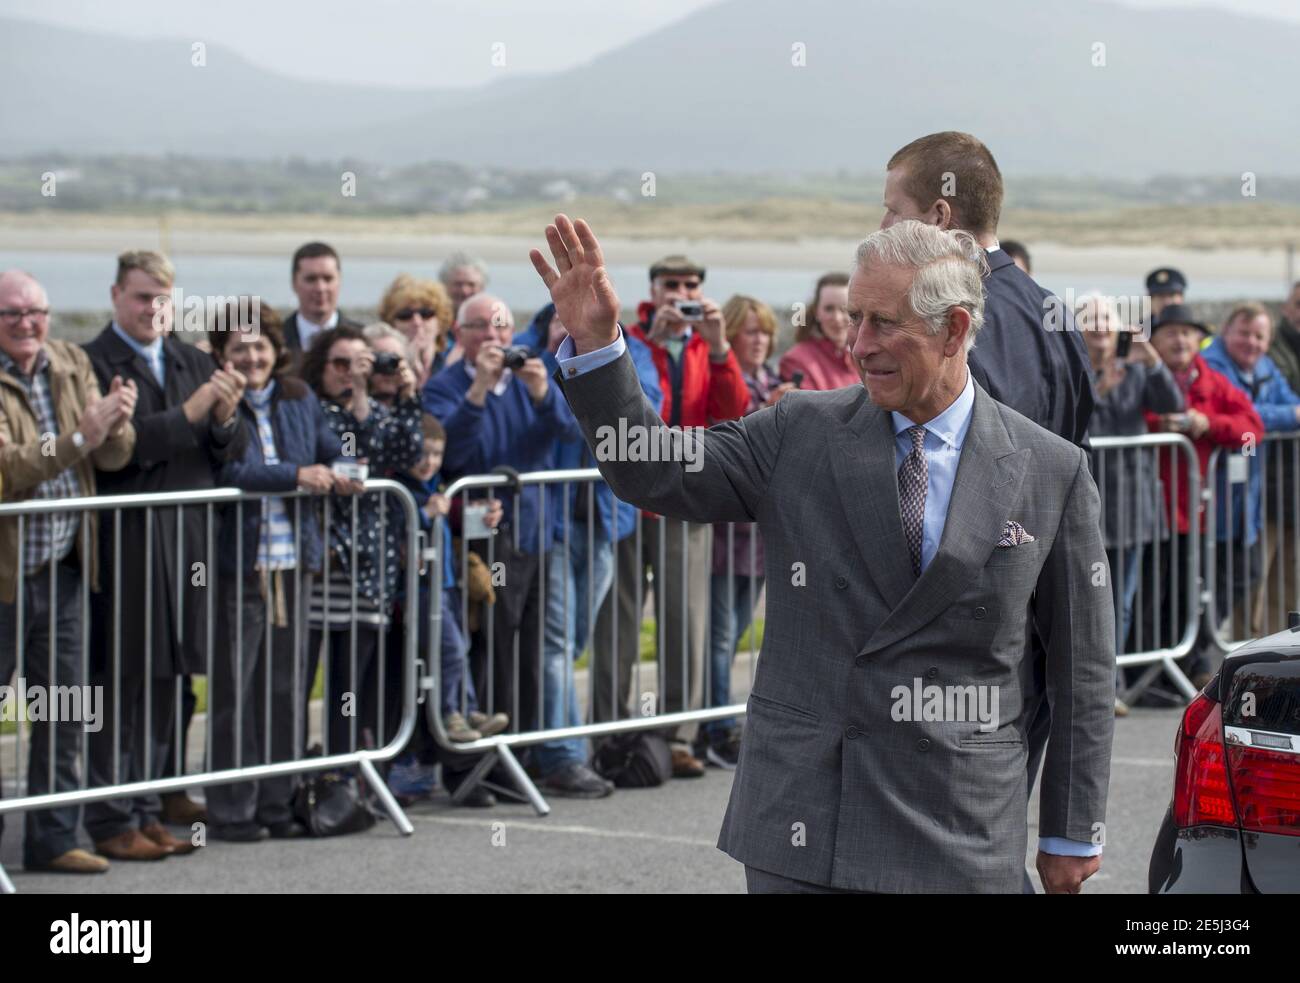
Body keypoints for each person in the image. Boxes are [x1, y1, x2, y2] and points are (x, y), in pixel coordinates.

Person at [533, 215, 1114, 894]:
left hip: (962, 827)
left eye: (883, 323)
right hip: (807, 824)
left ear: (954, 329)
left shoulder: (1050, 468)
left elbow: (1082, 670)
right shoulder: (799, 428)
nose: (858, 344)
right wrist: (601, 347)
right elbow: (656, 471)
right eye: (855, 318)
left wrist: (1073, 829)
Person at [82, 250, 246, 861]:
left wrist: (226, 416)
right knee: (119, 686)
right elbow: (126, 451)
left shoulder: (192, 359)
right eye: (140, 296)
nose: (152, 309)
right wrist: (197, 409)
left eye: (162, 298)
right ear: (116, 296)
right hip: (125, 545)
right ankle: (110, 817)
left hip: (186, 546)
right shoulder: (94, 362)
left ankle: (149, 808)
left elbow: (232, 448)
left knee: (167, 683)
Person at [0, 270, 137, 874]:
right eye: (12, 315)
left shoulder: (69, 360)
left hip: (62, 568)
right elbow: (10, 469)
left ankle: (54, 838)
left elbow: (111, 454)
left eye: (38, 311)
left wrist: (116, 423)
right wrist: (81, 435)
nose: (28, 323)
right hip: (5, 576)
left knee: (63, 706)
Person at [205, 299, 355, 842]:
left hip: (295, 564)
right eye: (239, 348)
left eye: (260, 346)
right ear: (222, 355)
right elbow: (231, 470)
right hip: (239, 565)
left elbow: (331, 450)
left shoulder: (299, 397)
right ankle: (230, 810)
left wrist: (345, 468)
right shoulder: (218, 405)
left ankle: (276, 802)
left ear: (276, 350)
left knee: (287, 691)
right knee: (234, 693)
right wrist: (298, 475)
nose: (252, 356)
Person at [597, 254, 750, 777]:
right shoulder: (633, 338)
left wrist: (722, 344)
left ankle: (678, 733)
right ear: (652, 288)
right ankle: (608, 729)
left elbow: (733, 412)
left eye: (689, 285)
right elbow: (630, 399)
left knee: (685, 616)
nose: (679, 294)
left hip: (687, 491)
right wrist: (657, 345)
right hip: (629, 492)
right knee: (616, 618)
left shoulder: (709, 344)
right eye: (670, 285)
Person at [422, 294, 582, 761]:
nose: (494, 338)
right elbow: (451, 454)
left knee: (529, 649)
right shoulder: (445, 387)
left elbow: (572, 432)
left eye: (502, 328)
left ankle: (523, 756)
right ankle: (475, 766)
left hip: (532, 532)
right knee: (487, 645)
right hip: (476, 538)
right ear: (459, 335)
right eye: (482, 329)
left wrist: (542, 393)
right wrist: (476, 396)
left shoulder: (530, 378)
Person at [513, 302, 659, 797]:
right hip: (548, 522)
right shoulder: (527, 355)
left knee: (572, 640)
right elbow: (557, 426)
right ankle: (563, 756)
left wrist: (567, 382)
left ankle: (543, 737)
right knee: (556, 643)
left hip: (602, 520)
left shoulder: (630, 351)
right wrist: (551, 375)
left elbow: (632, 423)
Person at [880, 131, 1094, 447]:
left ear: (939, 216)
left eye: (895, 211)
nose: (884, 225)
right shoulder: (1054, 310)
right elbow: (1080, 446)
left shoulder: (945, 319)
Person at [300, 324, 423, 757]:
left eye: (359, 364)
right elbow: (350, 451)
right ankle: (304, 776)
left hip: (371, 565)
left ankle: (348, 776)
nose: (348, 373)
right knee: (306, 681)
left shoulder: (373, 408)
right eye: (340, 364)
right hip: (327, 564)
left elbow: (410, 452)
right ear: (321, 366)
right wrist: (358, 393)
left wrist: (408, 393)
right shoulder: (312, 409)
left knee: (354, 688)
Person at [1143, 304, 1262, 688]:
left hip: (1193, 512)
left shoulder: (1212, 381)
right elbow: (1113, 418)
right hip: (1145, 510)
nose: (1179, 340)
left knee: (1188, 594)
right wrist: (1154, 426)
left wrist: (1211, 424)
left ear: (1199, 340)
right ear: (1155, 342)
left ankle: (1188, 667)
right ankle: (1148, 675)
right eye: (1170, 333)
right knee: (1148, 595)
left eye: (1186, 333)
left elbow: (1252, 431)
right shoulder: (1140, 376)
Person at [1075, 293, 1183, 713]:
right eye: (1089, 319)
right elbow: (1069, 417)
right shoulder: (1072, 366)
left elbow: (1172, 404)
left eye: (1105, 318)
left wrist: (1152, 359)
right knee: (1087, 599)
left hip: (1132, 505)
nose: (1099, 326)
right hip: (1088, 502)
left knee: (1122, 600)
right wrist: (1101, 386)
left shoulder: (1138, 369)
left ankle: (1112, 684)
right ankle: (1093, 682)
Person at [702, 296, 795, 766]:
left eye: (764, 332)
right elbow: (729, 427)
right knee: (720, 633)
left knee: (738, 629)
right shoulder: (729, 376)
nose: (758, 339)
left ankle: (721, 719)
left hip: (758, 535)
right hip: (726, 529)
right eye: (750, 331)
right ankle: (717, 726)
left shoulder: (772, 377)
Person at [1202, 302, 1300, 637]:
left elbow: (1284, 402)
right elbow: (1249, 414)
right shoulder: (1212, 364)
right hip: (1212, 493)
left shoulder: (1266, 367)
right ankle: (1207, 658)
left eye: (1259, 336)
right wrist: (1288, 416)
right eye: (1244, 333)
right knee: (1210, 583)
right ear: (1226, 330)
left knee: (1247, 574)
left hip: (1250, 494)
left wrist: (1284, 413)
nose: (1251, 342)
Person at [778, 272, 857, 390]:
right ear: (817, 312)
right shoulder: (796, 360)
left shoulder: (863, 356)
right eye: (829, 309)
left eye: (844, 309)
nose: (837, 318)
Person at [282, 242, 363, 357]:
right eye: (311, 279)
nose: (320, 288)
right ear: (294, 283)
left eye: (328, 279)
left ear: (339, 281)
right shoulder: (277, 339)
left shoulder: (362, 339)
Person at [378, 274, 454, 386]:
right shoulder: (381, 372)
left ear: (440, 322)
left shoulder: (453, 368)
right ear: (392, 325)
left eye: (426, 314)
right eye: (405, 315)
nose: (417, 322)